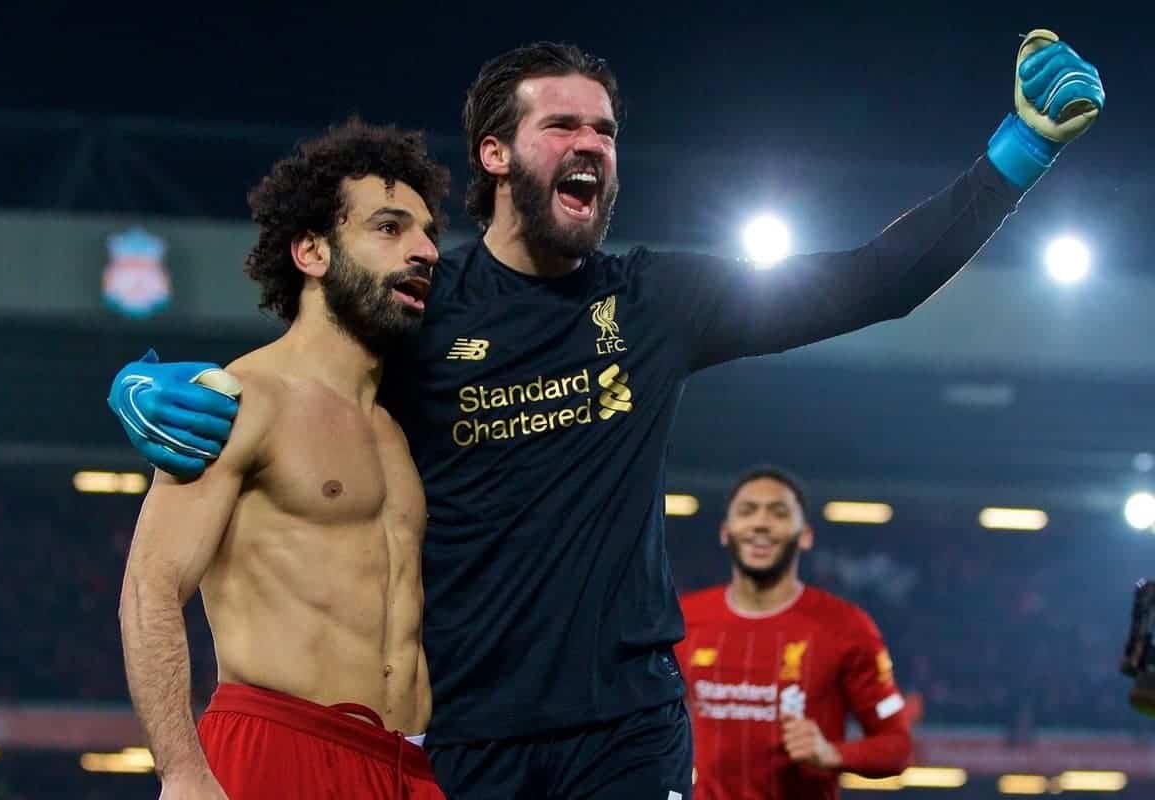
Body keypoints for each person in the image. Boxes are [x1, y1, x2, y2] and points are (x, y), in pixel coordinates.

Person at [107, 31, 1103, 799]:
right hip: (463, 740)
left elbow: (871, 282)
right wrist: (157, 385)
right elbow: (299, 364)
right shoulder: (423, 308)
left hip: (626, 729)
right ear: (496, 153)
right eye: (564, 127)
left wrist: (1020, 151)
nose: (593, 147)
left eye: (607, 131)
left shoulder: (657, 299)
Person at [117, 118, 449, 799]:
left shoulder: (399, 429)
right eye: (389, 228)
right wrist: (181, 772)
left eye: (428, 234)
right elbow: (149, 587)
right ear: (311, 252)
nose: (424, 251)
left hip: (407, 767)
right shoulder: (241, 399)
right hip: (277, 745)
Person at [676, 467, 912, 799]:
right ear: (725, 532)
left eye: (779, 512)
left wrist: (831, 753)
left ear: (805, 535)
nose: (760, 523)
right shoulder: (682, 619)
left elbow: (898, 746)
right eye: (747, 510)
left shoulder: (846, 626)